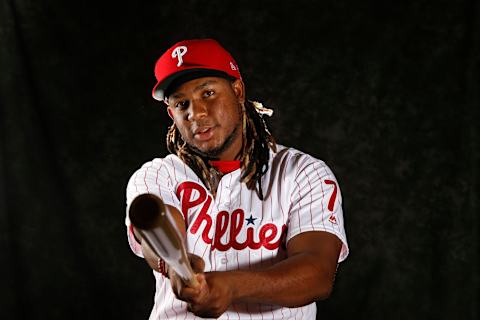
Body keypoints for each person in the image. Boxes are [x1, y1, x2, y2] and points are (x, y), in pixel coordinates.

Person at [125, 38, 349, 319]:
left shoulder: (302, 172)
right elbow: (157, 228)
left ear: (238, 90)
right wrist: (172, 262)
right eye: (182, 104)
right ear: (172, 114)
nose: (197, 113)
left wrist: (232, 286)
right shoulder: (158, 174)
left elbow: (317, 273)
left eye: (207, 93)